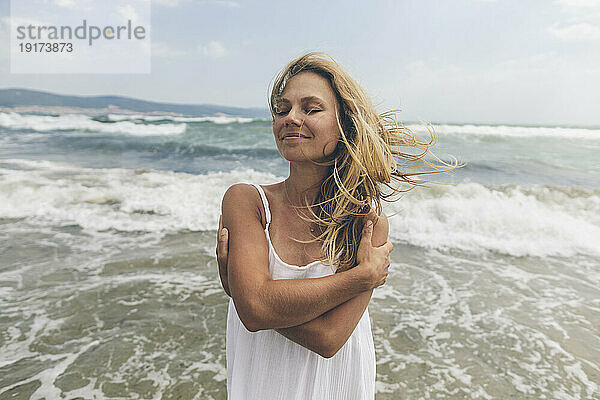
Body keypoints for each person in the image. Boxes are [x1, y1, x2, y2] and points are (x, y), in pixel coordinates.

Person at [216, 52, 449, 399]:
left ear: (344, 125)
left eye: (311, 109)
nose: (291, 118)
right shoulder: (247, 201)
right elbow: (254, 311)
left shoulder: (365, 224)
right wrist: (361, 277)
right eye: (283, 109)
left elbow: (328, 338)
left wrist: (242, 291)